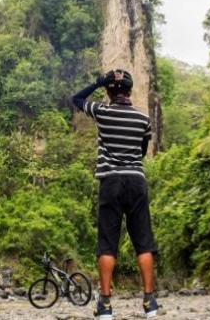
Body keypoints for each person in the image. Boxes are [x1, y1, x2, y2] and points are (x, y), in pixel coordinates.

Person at [72, 69, 159, 319]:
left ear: (109, 91)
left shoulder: (102, 112)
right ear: (130, 91)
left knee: (107, 244)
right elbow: (141, 151)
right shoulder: (143, 120)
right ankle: (149, 302)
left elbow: (77, 99)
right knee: (143, 241)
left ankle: (106, 304)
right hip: (136, 182)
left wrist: (96, 82)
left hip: (111, 183)